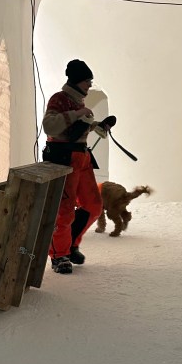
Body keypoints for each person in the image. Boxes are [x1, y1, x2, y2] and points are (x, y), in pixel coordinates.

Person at [42, 59, 112, 275]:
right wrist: (78, 115)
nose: (90, 85)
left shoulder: (79, 102)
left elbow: (75, 129)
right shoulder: (59, 99)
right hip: (63, 159)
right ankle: (59, 255)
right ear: (76, 81)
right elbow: (50, 126)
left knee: (93, 205)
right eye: (87, 81)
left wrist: (97, 126)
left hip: (82, 158)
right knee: (63, 210)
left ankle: (70, 244)